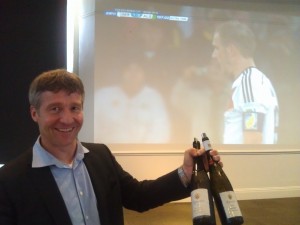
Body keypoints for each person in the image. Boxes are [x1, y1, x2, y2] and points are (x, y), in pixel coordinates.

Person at [0, 69, 222, 225]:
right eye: (55, 109)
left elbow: (138, 196)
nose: (67, 119)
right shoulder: (10, 180)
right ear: (34, 113)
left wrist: (185, 172)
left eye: (74, 108)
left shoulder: (100, 156)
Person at [212, 20, 279, 144]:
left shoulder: (250, 83)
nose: (214, 55)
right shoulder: (250, 81)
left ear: (230, 51)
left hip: (248, 164)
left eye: (217, 48)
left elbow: (253, 141)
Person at [94, 61, 170, 143]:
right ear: (122, 72)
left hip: (143, 152)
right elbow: (94, 127)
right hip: (107, 151)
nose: (133, 74)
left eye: (138, 70)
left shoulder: (154, 97)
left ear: (144, 74)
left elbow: (161, 130)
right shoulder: (103, 95)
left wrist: (143, 152)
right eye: (129, 70)